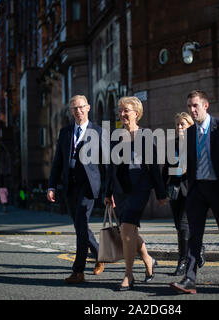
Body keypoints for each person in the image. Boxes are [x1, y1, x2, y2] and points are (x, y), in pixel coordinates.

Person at [171, 90, 219, 294]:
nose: (192, 110)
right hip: (197, 190)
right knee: (195, 235)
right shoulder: (190, 133)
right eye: (189, 106)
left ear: (205, 105)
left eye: (195, 105)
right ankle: (190, 278)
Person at [104, 96, 167, 291]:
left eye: (126, 110)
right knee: (128, 230)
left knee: (127, 227)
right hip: (121, 189)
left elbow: (154, 166)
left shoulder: (146, 135)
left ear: (136, 113)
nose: (122, 114)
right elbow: (110, 168)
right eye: (121, 110)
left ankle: (128, 275)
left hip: (140, 187)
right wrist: (107, 193)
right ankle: (148, 259)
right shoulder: (115, 136)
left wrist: (160, 193)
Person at [47, 95, 106, 284]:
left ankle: (78, 271)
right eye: (74, 109)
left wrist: (109, 191)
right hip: (70, 184)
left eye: (81, 107)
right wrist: (52, 185)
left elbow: (107, 164)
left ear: (88, 108)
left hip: (88, 185)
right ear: (70, 111)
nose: (78, 111)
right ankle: (100, 254)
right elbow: (57, 162)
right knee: (80, 226)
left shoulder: (98, 131)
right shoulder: (64, 132)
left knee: (81, 224)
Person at [162, 112, 205, 276]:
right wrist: (163, 191)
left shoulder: (197, 143)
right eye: (178, 124)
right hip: (174, 191)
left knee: (183, 226)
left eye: (183, 124)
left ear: (190, 126)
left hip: (192, 190)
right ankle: (199, 247)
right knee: (180, 226)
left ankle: (183, 261)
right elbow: (166, 169)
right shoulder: (171, 144)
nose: (180, 127)